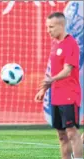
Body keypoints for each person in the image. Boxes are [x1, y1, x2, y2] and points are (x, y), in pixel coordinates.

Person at [34, 12, 83, 159]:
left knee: (71, 132)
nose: (48, 30)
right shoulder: (55, 44)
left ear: (61, 26)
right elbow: (52, 71)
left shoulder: (71, 43)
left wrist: (50, 80)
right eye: (47, 27)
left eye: (51, 27)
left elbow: (68, 70)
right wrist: (44, 89)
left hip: (69, 95)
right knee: (61, 135)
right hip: (56, 95)